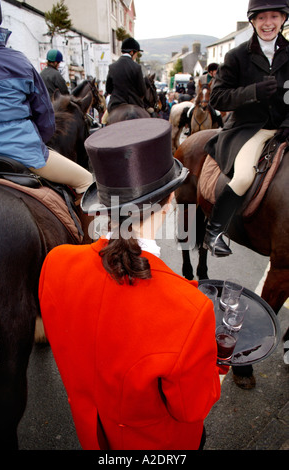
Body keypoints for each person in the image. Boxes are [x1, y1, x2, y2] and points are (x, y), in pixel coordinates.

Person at [38, 118, 227, 450]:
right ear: (169, 206)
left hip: (91, 433)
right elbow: (193, 408)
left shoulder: (55, 263)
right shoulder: (190, 310)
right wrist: (218, 366)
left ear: (103, 206)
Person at [203, 0, 289, 258]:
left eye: (274, 16)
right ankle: (214, 231)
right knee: (243, 177)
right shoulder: (237, 55)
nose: (268, 23)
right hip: (251, 129)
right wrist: (252, 92)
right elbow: (217, 98)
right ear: (252, 20)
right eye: (262, 18)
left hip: (285, 127)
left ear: (283, 19)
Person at [0, 1, 93, 206]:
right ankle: (94, 238)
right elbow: (48, 112)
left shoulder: (42, 71)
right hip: (23, 149)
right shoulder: (19, 62)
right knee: (86, 180)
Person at [105, 37, 146, 113]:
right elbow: (142, 91)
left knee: (104, 121)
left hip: (115, 105)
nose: (136, 56)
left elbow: (108, 89)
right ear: (131, 52)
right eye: (136, 53)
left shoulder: (112, 67)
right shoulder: (137, 67)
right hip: (134, 104)